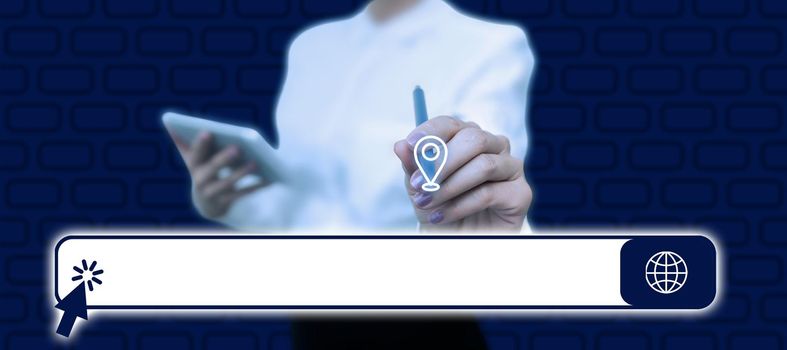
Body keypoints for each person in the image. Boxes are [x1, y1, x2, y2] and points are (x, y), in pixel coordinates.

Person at [171, 0, 535, 348]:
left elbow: (485, 203)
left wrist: (477, 218)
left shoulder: (489, 44)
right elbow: (304, 206)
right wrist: (225, 201)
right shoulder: (311, 47)